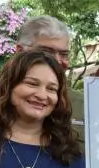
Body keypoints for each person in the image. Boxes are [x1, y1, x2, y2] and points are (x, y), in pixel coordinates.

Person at [15, 16, 84, 148]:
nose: (58, 61)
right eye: (46, 52)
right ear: (19, 51)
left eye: (64, 54)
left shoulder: (84, 104)